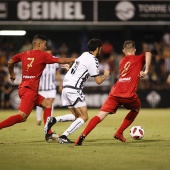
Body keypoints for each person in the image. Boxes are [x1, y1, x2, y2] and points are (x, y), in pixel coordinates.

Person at [75, 40, 152, 146]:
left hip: (115, 93)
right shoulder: (138, 59)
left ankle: (82, 136)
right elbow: (148, 53)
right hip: (128, 94)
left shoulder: (121, 61)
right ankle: (119, 132)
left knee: (100, 115)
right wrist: (146, 70)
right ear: (134, 50)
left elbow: (130, 69)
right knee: (136, 109)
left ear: (123, 51)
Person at [0, 34, 75, 142]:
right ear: (39, 44)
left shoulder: (24, 54)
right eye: (44, 45)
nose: (45, 47)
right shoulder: (43, 55)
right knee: (22, 117)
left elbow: (10, 61)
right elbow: (61, 60)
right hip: (29, 91)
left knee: (48, 105)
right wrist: (76, 59)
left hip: (25, 88)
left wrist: (11, 74)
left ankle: (48, 134)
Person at [44, 38, 110, 143]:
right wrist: (105, 76)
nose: (101, 50)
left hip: (66, 87)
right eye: (100, 48)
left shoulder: (83, 55)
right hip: (74, 89)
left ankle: (54, 120)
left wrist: (69, 69)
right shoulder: (93, 60)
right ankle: (64, 136)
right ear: (97, 49)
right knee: (84, 117)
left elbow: (77, 70)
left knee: (77, 116)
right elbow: (98, 81)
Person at [36, 51, 62, 125]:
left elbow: (57, 73)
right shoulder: (40, 60)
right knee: (41, 103)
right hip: (41, 87)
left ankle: (49, 119)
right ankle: (38, 118)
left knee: (50, 103)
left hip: (51, 86)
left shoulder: (55, 62)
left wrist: (60, 84)